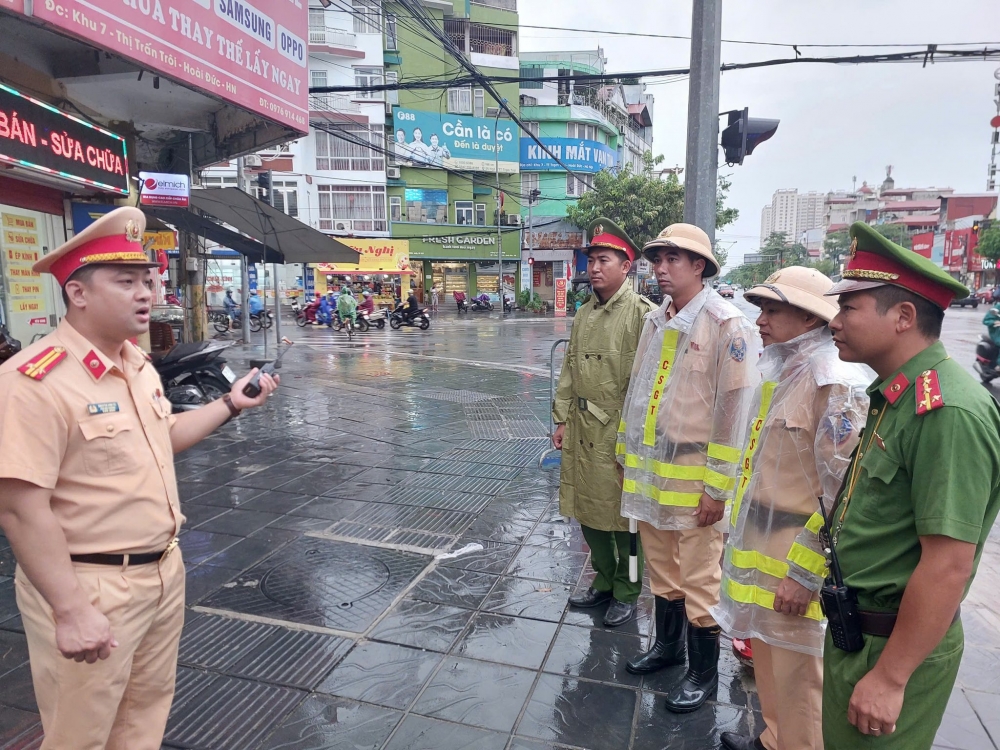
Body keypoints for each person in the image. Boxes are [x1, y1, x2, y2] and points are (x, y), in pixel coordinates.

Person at [0, 206, 278, 750]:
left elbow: (161, 438)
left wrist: (230, 405)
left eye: (147, 280)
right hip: (89, 585)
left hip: (160, 573)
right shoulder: (32, 382)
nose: (146, 292)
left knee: (143, 720)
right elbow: (18, 509)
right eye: (125, 282)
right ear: (78, 294)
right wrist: (72, 610)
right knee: (79, 733)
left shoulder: (136, 363)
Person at [820, 222, 1000, 749]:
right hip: (858, 631)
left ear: (902, 317)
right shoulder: (896, 395)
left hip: (893, 646)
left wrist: (891, 677)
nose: (835, 321)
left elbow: (947, 563)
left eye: (849, 307)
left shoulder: (948, 411)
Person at [712, 267, 871, 750]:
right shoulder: (786, 368)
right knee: (771, 664)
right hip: (762, 543)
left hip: (795, 554)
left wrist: (806, 571)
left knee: (802, 679)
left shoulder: (834, 381)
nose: (759, 319)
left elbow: (844, 491)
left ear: (808, 316)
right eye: (760, 307)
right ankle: (773, 738)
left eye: (772, 309)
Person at [618, 223, 760, 712]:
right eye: (657, 259)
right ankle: (667, 648)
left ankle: (702, 674)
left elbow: (734, 414)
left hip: (698, 484)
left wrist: (717, 489)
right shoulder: (657, 320)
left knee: (701, 580)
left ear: (699, 266)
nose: (659, 268)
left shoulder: (726, 324)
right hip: (654, 478)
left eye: (672, 259)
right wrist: (625, 457)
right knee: (662, 574)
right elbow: (638, 393)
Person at [553, 218, 656, 627]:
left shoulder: (642, 315)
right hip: (581, 430)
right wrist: (561, 419)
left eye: (603, 260)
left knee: (625, 523)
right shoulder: (584, 314)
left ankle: (629, 589)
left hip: (617, 432)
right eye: (591, 259)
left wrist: (634, 440)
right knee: (587, 512)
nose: (594, 267)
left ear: (625, 266)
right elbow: (568, 370)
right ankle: (605, 582)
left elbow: (647, 387)